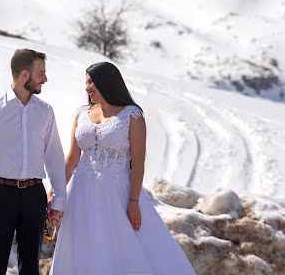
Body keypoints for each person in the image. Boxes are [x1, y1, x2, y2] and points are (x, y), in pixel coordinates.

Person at [50, 61, 197, 275]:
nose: (87, 87)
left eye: (91, 82)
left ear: (106, 81)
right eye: (86, 82)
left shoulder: (132, 115)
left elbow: (138, 162)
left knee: (124, 249)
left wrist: (134, 201)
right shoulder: (81, 114)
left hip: (118, 193)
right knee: (83, 248)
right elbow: (72, 159)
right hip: (81, 194)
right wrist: (55, 190)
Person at [0, 48, 66, 275]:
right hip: (0, 195)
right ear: (24, 75)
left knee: (31, 267)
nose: (45, 79)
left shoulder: (45, 112)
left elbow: (54, 157)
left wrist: (59, 196)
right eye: (41, 73)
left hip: (34, 196)